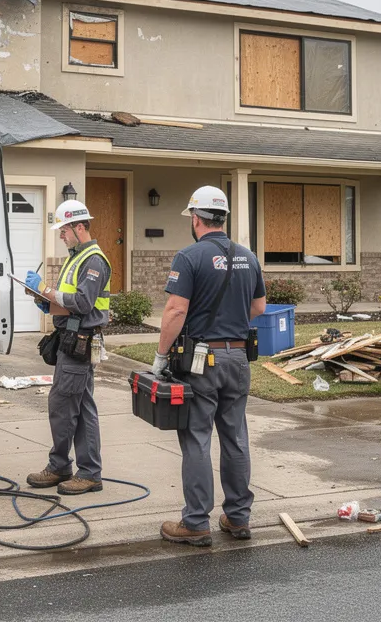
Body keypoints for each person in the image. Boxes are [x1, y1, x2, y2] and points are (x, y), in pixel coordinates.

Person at [153, 185, 266, 546]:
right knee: (235, 437)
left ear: (196, 218)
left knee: (197, 438)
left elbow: (175, 310)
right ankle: (237, 518)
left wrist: (160, 355)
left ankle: (196, 522)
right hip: (238, 358)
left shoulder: (189, 257)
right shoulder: (248, 257)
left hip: (202, 360)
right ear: (224, 217)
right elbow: (259, 308)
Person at [22, 198, 111, 496]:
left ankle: (64, 467)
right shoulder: (77, 257)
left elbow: (84, 303)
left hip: (79, 342)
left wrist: (47, 289)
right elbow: (68, 302)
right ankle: (87, 471)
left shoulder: (94, 261)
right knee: (82, 408)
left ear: (79, 227)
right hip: (72, 339)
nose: (60, 235)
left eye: (63, 230)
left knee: (62, 405)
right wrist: (44, 299)